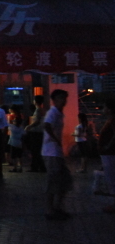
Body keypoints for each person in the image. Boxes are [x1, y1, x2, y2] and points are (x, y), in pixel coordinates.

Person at [42, 89, 72, 220]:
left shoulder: (59, 113)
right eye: (60, 98)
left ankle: (57, 207)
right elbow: (47, 125)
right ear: (54, 100)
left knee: (64, 180)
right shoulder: (52, 112)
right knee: (54, 181)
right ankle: (50, 210)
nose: (63, 101)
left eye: (64, 98)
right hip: (51, 152)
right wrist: (55, 139)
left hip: (56, 152)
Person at [96, 100, 115, 214]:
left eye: (104, 107)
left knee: (112, 178)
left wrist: (108, 146)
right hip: (107, 153)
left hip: (110, 153)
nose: (103, 110)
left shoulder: (112, 121)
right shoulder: (110, 120)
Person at [24, 95, 46, 172]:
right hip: (40, 132)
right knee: (37, 151)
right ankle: (39, 166)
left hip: (36, 132)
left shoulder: (38, 110)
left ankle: (36, 167)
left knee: (35, 150)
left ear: (35, 101)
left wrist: (29, 126)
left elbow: (37, 121)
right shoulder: (42, 110)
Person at [7, 107, 25, 173]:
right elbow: (24, 134)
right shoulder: (21, 128)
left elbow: (7, 124)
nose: (13, 121)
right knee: (19, 156)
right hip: (19, 143)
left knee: (13, 156)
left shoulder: (12, 127)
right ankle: (20, 167)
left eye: (14, 120)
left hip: (13, 143)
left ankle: (15, 167)